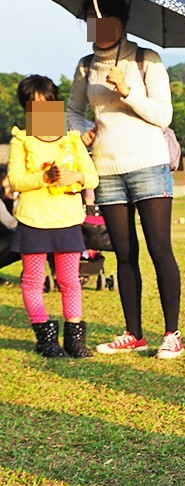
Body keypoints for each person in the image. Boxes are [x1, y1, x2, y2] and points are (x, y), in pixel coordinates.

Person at [67, 0, 184, 358]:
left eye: (106, 21)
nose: (99, 28)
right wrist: (79, 131)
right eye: (92, 22)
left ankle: (172, 334)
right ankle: (133, 333)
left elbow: (163, 116)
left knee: (159, 249)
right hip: (106, 170)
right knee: (123, 253)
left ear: (123, 22)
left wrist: (128, 90)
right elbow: (71, 111)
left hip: (148, 165)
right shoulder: (85, 66)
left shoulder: (148, 59)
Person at [7, 75, 99, 358]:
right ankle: (45, 337)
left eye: (47, 103)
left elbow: (93, 178)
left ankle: (74, 338)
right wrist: (44, 177)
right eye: (34, 106)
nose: (42, 110)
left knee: (69, 280)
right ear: (26, 110)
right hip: (33, 220)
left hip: (67, 220)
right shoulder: (21, 140)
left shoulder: (72, 141)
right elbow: (16, 180)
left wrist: (76, 176)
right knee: (32, 281)